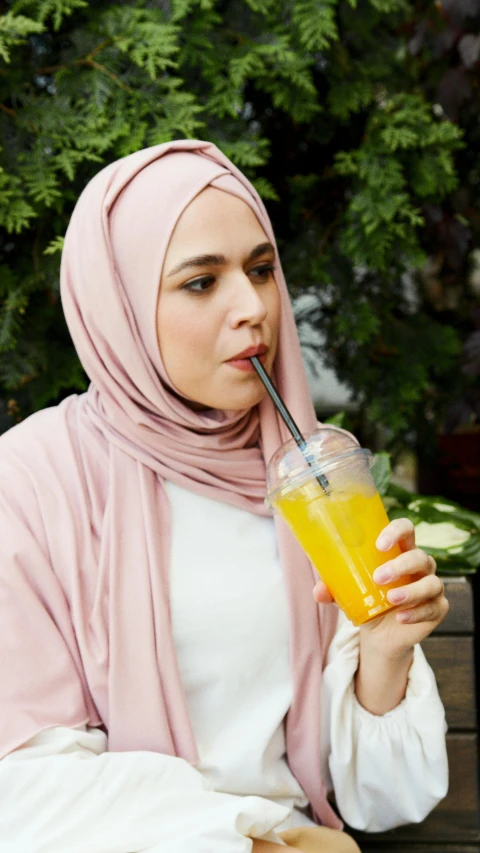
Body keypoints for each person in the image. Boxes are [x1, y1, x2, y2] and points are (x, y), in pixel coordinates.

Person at [0, 140, 449, 853]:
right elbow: (23, 785)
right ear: (118, 304)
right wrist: (260, 843)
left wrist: (385, 655)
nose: (254, 308)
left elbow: (384, 800)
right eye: (202, 282)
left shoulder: (311, 469)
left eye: (262, 269)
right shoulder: (30, 479)